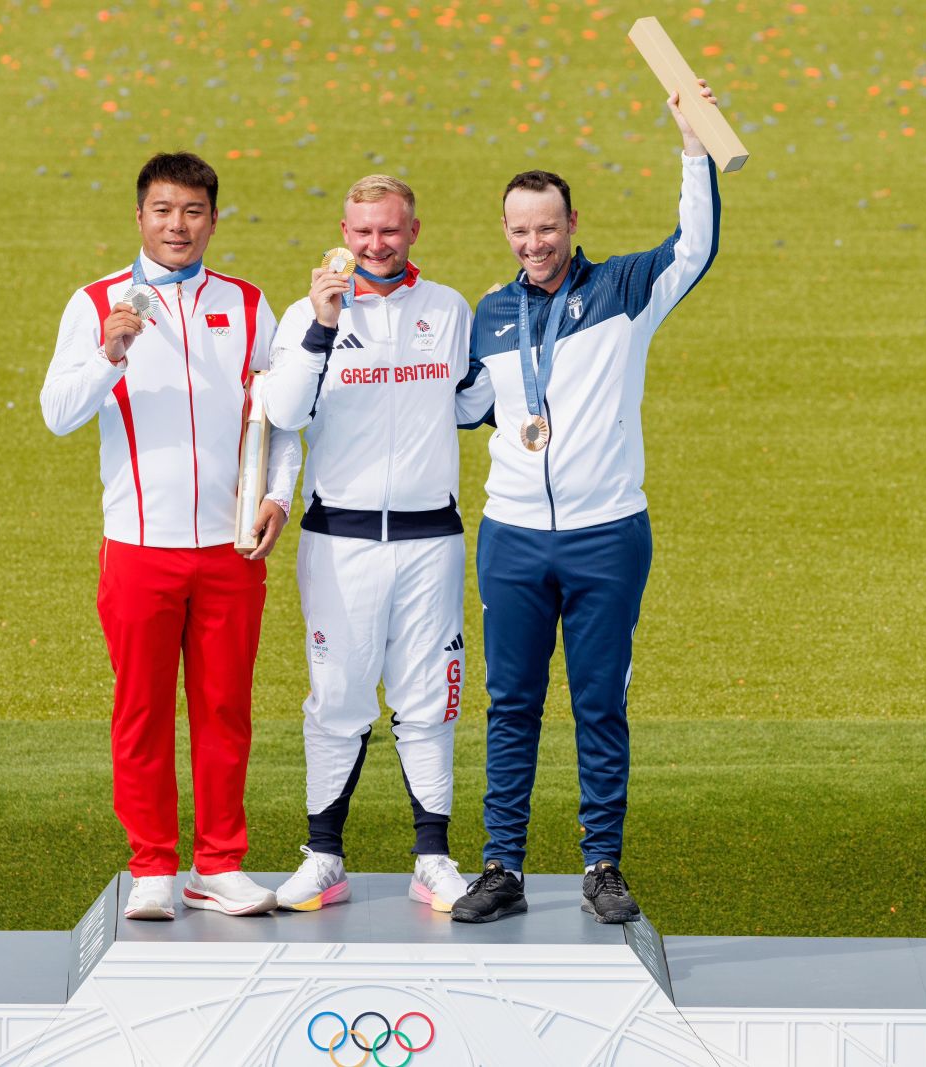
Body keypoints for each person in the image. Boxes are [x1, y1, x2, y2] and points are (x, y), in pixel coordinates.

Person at [450, 84, 723, 924]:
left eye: (548, 226)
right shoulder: (490, 315)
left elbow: (696, 246)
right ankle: (503, 865)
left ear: (572, 224)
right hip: (513, 537)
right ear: (507, 231)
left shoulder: (626, 290)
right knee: (514, 703)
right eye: (521, 228)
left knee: (600, 699)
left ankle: (601, 862)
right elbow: (457, 405)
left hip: (608, 533)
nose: (535, 241)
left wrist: (693, 146)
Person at [40, 151, 301, 921]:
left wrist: (278, 500)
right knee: (142, 708)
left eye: (192, 211)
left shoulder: (251, 306)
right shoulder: (95, 305)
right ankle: (152, 864)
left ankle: (217, 864)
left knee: (225, 708)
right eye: (162, 210)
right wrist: (108, 354)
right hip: (138, 546)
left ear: (213, 218)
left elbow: (281, 419)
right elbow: (58, 412)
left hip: (230, 549)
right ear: (140, 216)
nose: (177, 225)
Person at [261, 175, 484, 912]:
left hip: (431, 537)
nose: (375, 244)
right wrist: (324, 327)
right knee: (338, 698)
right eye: (362, 232)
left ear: (413, 230)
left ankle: (433, 858)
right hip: (340, 536)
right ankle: (324, 855)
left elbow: (474, 401)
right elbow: (284, 410)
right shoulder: (304, 313)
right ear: (343, 231)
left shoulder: (448, 308)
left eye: (389, 231)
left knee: (431, 699)